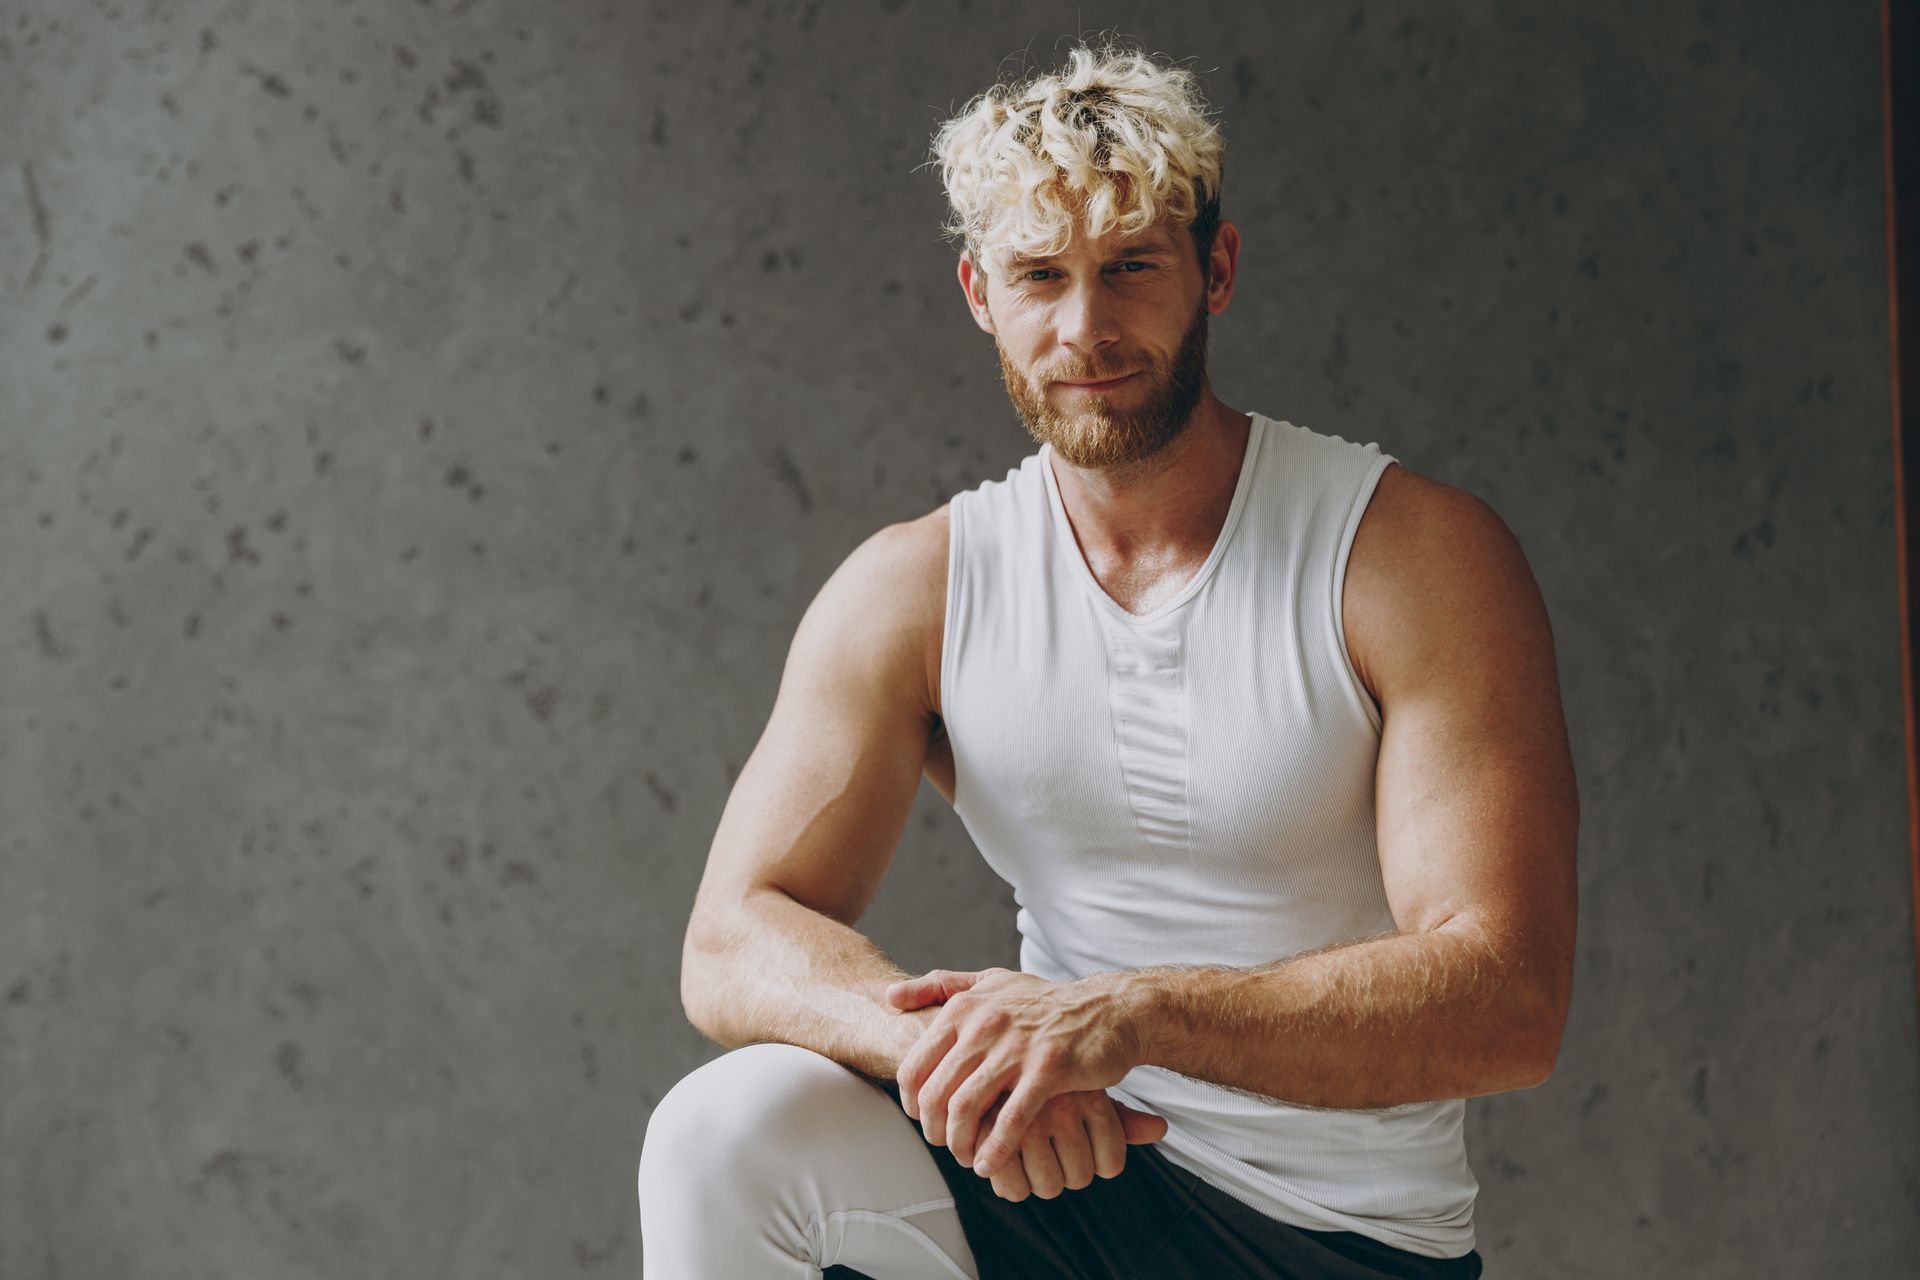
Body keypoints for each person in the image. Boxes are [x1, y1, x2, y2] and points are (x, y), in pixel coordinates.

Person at [639, 37, 1578, 1280]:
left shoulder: (1406, 556)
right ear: (981, 293)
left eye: (1131, 266)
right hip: (1064, 1180)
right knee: (724, 1130)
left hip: (1343, 1245)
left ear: (1217, 269)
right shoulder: (919, 586)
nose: (1086, 326)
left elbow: (1506, 993)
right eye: (1041, 275)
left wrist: (1131, 1016)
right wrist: (966, 1056)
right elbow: (731, 935)